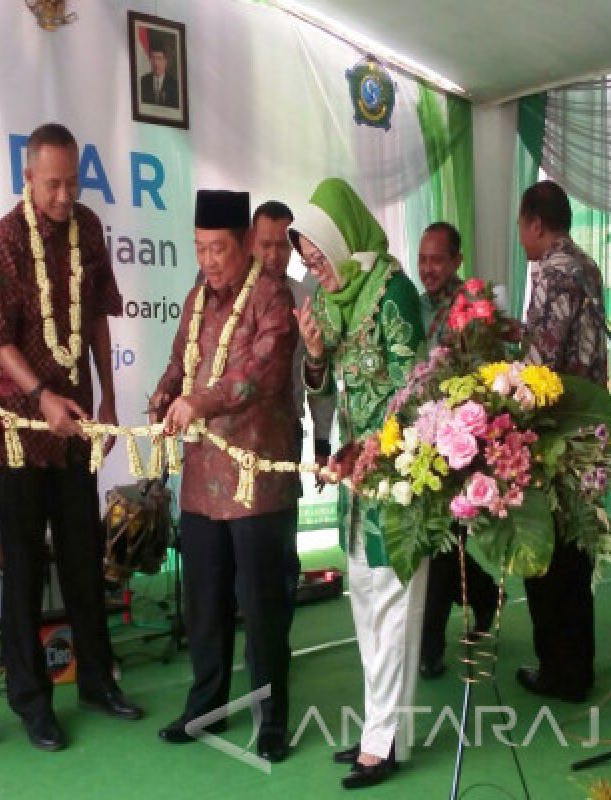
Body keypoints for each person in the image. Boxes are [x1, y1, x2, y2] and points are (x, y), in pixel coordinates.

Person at [0, 123, 143, 753]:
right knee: (23, 569)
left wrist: (107, 395)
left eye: (72, 180)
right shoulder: (1, 241)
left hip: (75, 426)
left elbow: (98, 315)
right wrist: (40, 395)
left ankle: (98, 681)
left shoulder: (90, 228)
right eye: (53, 182)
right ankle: (31, 701)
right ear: (28, 176)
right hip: (22, 431)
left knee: (83, 559)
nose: (64, 193)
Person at [150, 190, 299, 763]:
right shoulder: (195, 299)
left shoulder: (273, 299)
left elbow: (255, 378)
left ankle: (272, 722)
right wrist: (165, 395)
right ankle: (203, 707)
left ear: (243, 246)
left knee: (262, 613)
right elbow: (177, 362)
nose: (208, 260)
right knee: (204, 607)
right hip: (201, 482)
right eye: (199, 249)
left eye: (217, 249)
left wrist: (197, 402)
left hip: (255, 480)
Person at [291, 178, 427, 789]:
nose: (317, 272)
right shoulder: (327, 306)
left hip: (399, 472)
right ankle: (382, 731)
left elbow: (416, 386)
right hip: (356, 476)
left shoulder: (392, 291)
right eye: (310, 263)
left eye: (320, 257)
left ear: (343, 240)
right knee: (367, 605)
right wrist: (315, 356)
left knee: (395, 606)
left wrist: (381, 445)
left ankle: (385, 742)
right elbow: (324, 391)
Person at [515, 180, 607, 704]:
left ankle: (558, 670)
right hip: (588, 426)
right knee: (577, 550)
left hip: (556, 430)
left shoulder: (551, 271)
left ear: (535, 223)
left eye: (521, 226)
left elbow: (543, 360)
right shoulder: (587, 266)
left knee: (548, 552)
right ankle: (579, 665)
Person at [414, 221, 499, 678]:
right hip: (419, 440)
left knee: (444, 542)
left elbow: (485, 373)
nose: (428, 268)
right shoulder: (414, 306)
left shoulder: (473, 309)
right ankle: (485, 597)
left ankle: (429, 648)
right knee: (441, 543)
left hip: (461, 440)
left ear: (456, 262)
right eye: (423, 258)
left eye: (437, 260)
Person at [252, 201, 336, 611]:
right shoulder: (233, 298)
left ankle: (277, 642)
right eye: (264, 245)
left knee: (283, 547)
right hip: (237, 443)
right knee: (245, 554)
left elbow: (319, 371)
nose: (273, 256)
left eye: (281, 247)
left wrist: (322, 442)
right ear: (251, 243)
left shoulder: (305, 298)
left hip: (285, 435)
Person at [139, 34, 179, 108]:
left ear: (165, 61)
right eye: (153, 58)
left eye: (159, 58)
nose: (156, 63)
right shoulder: (142, 82)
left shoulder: (175, 86)